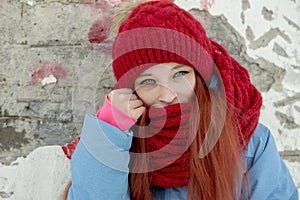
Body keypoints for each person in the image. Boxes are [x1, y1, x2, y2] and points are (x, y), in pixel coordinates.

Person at [62, 0, 298, 199]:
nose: (168, 95)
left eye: (180, 73)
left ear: (202, 75)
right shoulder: (123, 141)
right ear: (130, 89)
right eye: (148, 81)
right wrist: (109, 132)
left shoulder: (250, 140)